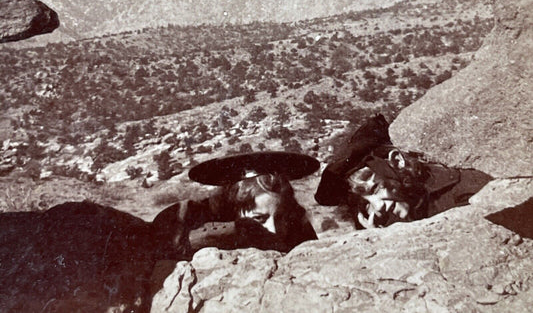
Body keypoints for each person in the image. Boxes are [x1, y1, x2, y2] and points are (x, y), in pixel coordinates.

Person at [314, 114, 492, 229]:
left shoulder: (468, 190)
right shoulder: (380, 222)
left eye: (375, 189)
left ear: (397, 162)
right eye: (364, 203)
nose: (377, 206)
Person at [153, 152, 319, 258]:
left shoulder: (298, 228)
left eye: (281, 218)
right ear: (231, 210)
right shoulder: (192, 217)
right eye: (259, 219)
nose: (274, 230)